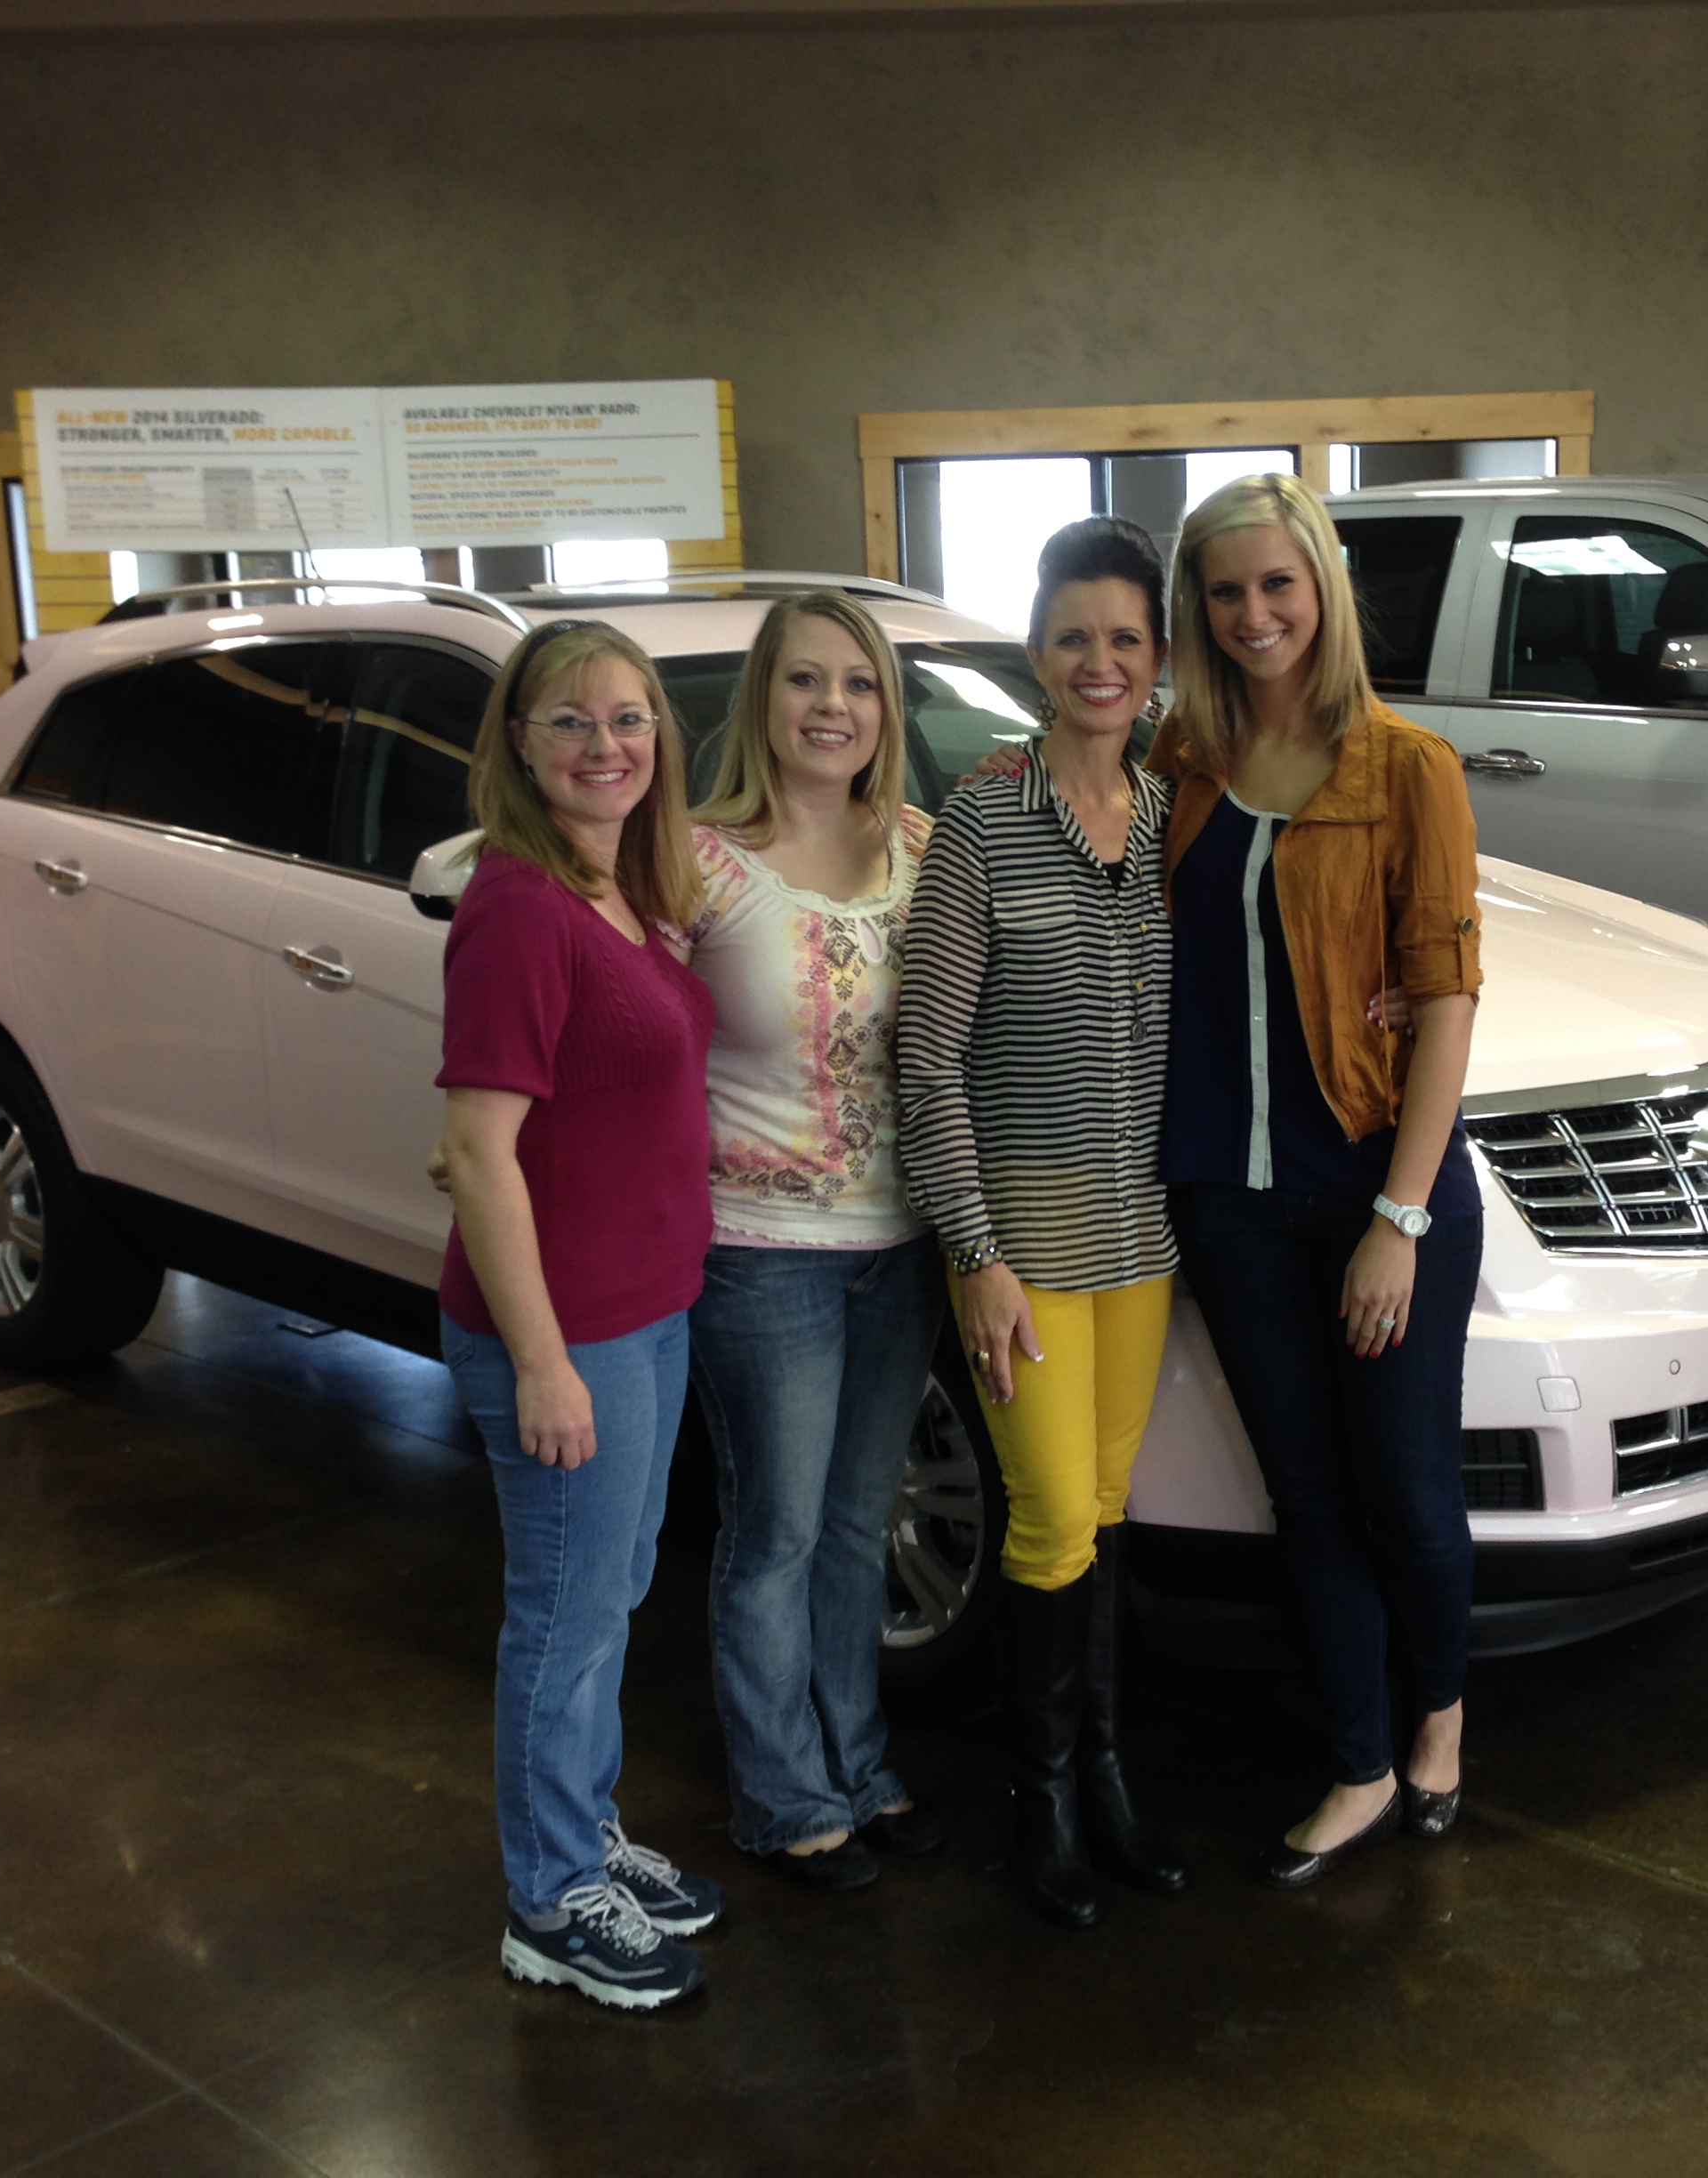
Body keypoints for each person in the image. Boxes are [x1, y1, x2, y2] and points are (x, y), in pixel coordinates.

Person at [1149, 471, 1486, 1888]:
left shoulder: (1408, 768)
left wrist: (1398, 1221)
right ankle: (1358, 1762)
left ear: (1324, 590)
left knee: (1405, 1489)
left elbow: (1446, 1001)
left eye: (1277, 585)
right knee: (1307, 1494)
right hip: (1226, 1199)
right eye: (1225, 591)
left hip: (1374, 1192)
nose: (1254, 614)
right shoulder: (1181, 759)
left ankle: (1441, 1724)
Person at [900, 518, 1192, 1928]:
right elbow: (928, 1056)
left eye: (1125, 638)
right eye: (1074, 636)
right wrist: (975, 1253)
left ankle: (1109, 1776)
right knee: (1053, 1515)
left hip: (1142, 1243)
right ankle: (1044, 1798)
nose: (1100, 661)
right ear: (1035, 652)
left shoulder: (1172, 819)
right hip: (1022, 1246)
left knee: (1110, 1514)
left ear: (1157, 659)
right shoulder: (982, 821)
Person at [436, 617, 726, 2013]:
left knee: (606, 1600)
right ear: (517, 742)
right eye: (569, 720)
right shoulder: (520, 906)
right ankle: (549, 1903)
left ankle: (583, 1833)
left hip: (645, 1312)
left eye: (627, 718)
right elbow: (477, 1150)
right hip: (568, 1336)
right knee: (562, 1616)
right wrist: (544, 1365)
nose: (605, 745)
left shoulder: (618, 884)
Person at [682, 592, 949, 1893]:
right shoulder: (695, 862)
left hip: (901, 1242)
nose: (832, 706)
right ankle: (784, 1796)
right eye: (804, 680)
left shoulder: (923, 850)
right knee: (775, 1532)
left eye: (858, 682)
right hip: (761, 1248)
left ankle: (862, 1764)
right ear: (762, 699)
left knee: (858, 1526)